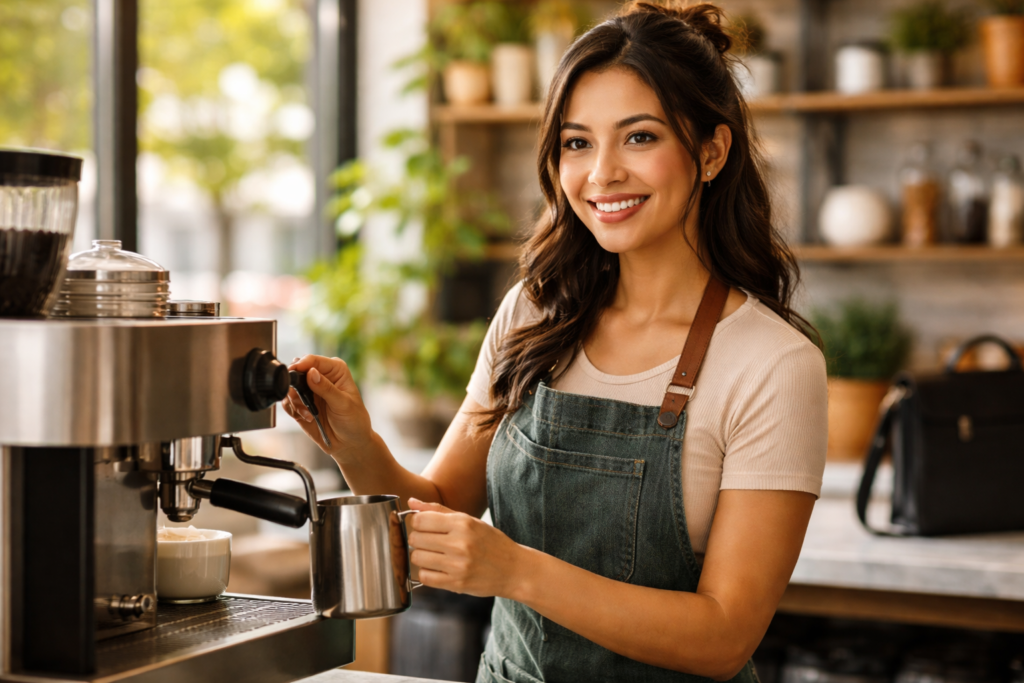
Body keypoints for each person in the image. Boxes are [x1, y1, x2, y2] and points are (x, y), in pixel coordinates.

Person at [285, 3, 828, 681]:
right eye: (577, 143)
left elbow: (724, 636)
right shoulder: (532, 314)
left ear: (712, 152)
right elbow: (439, 509)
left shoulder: (773, 364)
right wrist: (354, 442)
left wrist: (516, 570)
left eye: (639, 137)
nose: (602, 173)